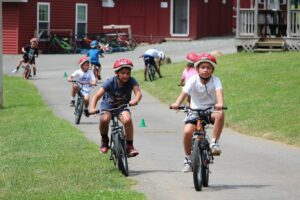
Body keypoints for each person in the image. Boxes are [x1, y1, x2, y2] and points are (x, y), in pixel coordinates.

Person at [170, 53, 225, 173]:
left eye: (208, 67)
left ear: (212, 70)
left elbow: (219, 94)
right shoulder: (192, 80)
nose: (205, 70)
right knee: (187, 131)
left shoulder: (216, 80)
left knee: (220, 114)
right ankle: (188, 160)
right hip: (194, 111)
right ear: (197, 69)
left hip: (210, 111)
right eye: (203, 67)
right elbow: (184, 93)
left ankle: (214, 143)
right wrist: (177, 103)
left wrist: (220, 103)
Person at [89, 58, 142, 157]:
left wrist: (135, 100)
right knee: (105, 119)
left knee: (127, 120)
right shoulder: (110, 81)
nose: (126, 75)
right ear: (117, 73)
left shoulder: (131, 81)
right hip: (107, 106)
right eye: (123, 73)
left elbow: (138, 92)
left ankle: (129, 146)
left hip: (122, 106)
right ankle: (104, 140)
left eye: (128, 73)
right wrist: (92, 108)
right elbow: (96, 96)